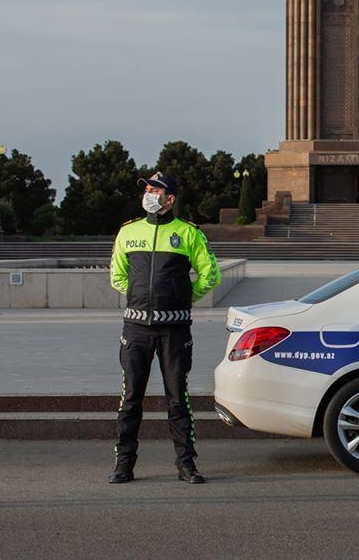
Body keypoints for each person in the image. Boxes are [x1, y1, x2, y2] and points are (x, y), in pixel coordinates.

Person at [108, 171, 221, 484]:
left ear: (170, 198)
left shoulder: (188, 234)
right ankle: (123, 465)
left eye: (156, 189)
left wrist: (183, 298)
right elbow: (117, 276)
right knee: (130, 399)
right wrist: (138, 297)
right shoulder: (127, 233)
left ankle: (186, 465)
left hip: (174, 330)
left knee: (177, 399)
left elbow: (210, 275)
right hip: (136, 329)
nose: (149, 193)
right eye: (147, 188)